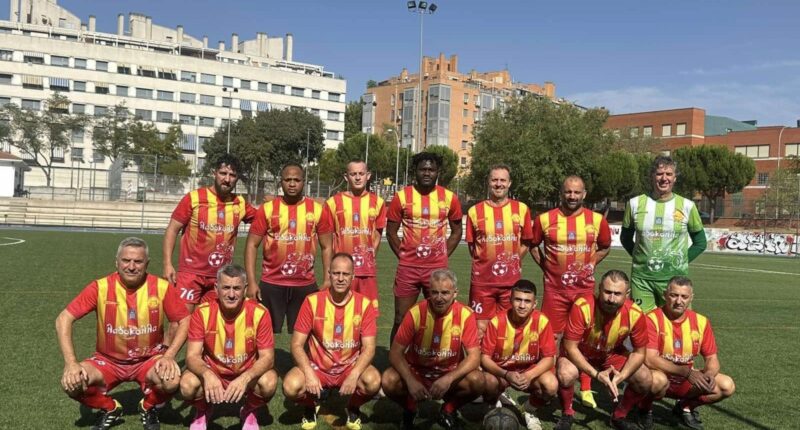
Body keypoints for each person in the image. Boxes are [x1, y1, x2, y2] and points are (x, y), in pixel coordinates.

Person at [56, 237, 190, 430]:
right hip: (108, 361)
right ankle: (110, 408)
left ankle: (148, 406)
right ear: (116, 262)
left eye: (138, 261)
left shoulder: (161, 287)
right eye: (126, 260)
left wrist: (169, 356)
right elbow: (63, 319)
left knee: (172, 380)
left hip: (148, 360)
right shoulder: (100, 287)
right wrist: (70, 363)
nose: (132, 266)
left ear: (147, 264)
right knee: (71, 383)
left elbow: (185, 320)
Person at [531, 175, 612, 409]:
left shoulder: (596, 220)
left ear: (584, 194)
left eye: (577, 192)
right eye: (568, 192)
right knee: (552, 338)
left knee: (583, 338)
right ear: (561, 193)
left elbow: (605, 246)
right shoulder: (545, 219)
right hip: (555, 291)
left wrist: (591, 263)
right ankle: (551, 385)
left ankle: (585, 387)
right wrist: (546, 266)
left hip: (583, 290)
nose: (572, 196)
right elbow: (532, 244)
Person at [282, 253, 380, 430]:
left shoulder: (364, 305)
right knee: (290, 387)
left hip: (349, 366)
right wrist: (309, 373)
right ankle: (310, 406)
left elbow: (369, 347)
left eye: (345, 274)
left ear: (353, 276)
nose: (340, 278)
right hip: (318, 367)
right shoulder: (312, 301)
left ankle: (353, 407)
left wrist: (354, 374)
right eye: (336, 273)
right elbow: (296, 344)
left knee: (373, 381)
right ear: (329, 274)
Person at [381, 269, 484, 430]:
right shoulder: (416, 312)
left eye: (445, 293)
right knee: (388, 379)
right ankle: (410, 409)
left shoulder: (465, 314)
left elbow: (474, 357)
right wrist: (411, 381)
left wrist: (449, 379)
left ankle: (448, 410)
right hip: (417, 372)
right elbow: (395, 353)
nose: (439, 298)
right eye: (434, 292)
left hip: (449, 373)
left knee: (478, 381)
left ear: (455, 293)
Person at [180, 264, 278, 430]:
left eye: (237, 288)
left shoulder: (259, 313)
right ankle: (203, 410)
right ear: (216, 288)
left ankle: (249, 410)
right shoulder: (202, 312)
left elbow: (268, 358)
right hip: (213, 370)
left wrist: (245, 378)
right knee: (187, 384)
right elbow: (192, 356)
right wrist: (207, 374)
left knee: (269, 382)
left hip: (246, 371)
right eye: (226, 288)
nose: (231, 294)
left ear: (245, 289)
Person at [555, 270, 651, 430]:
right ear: (599, 288)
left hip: (609, 354)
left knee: (645, 379)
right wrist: (596, 375)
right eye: (607, 292)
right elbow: (570, 347)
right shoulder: (583, 306)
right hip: (581, 352)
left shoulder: (635, 313)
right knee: (566, 374)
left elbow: (639, 353)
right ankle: (567, 413)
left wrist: (621, 376)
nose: (611, 299)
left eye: (617, 294)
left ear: (627, 294)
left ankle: (619, 416)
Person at [245, 163, 333, 333]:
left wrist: (328, 279)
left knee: (305, 335)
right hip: (271, 283)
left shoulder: (317, 210)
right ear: (281, 182)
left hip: (304, 284)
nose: (292, 184)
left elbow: (327, 246)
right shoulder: (267, 209)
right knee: (262, 334)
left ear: (303, 182)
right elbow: (251, 244)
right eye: (288, 180)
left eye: (297, 180)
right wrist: (252, 281)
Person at [638, 277, 735, 430]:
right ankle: (644, 408)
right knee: (657, 380)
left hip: (685, 380)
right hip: (660, 376)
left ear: (691, 298)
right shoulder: (652, 319)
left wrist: (708, 375)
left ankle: (685, 407)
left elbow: (712, 358)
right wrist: (686, 372)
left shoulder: (701, 322)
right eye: (674, 295)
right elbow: (650, 359)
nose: (679, 301)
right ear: (665, 295)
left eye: (684, 296)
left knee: (726, 386)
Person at [163, 154, 256, 309]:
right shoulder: (194, 198)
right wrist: (167, 264)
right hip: (190, 274)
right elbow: (172, 230)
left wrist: (273, 205)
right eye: (223, 173)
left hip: (221, 276)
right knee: (181, 320)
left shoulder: (240, 203)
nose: (227, 179)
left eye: (232, 175)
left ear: (237, 178)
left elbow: (264, 220)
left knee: (213, 322)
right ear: (214, 173)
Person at [386, 152, 462, 341]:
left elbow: (457, 232)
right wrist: (404, 256)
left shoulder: (449, 198)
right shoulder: (401, 197)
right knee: (401, 318)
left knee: (439, 317)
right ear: (415, 171)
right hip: (408, 269)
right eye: (422, 169)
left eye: (431, 169)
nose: (427, 173)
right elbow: (391, 232)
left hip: (436, 269)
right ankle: (396, 358)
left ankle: (437, 356)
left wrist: (442, 255)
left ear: (438, 172)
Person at [621, 155, 707, 312]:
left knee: (676, 324)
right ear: (652, 176)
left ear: (675, 178)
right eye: (659, 173)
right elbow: (625, 238)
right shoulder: (634, 204)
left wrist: (681, 262)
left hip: (675, 281)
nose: (664, 178)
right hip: (642, 280)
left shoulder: (687, 206)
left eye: (669, 174)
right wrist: (640, 258)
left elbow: (700, 243)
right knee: (642, 324)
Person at [466, 164, 534, 336]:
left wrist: (512, 260)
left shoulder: (522, 209)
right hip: (482, 283)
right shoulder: (474, 211)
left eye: (503, 180)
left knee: (509, 329)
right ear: (488, 182)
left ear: (509, 183)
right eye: (494, 180)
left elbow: (526, 242)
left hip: (510, 283)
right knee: (480, 330)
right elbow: (472, 247)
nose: (498, 184)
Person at [481, 280, 557, 430]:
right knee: (487, 382)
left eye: (527, 301)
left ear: (535, 304)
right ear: (510, 300)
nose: (522, 305)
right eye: (518, 300)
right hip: (502, 372)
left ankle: (529, 409)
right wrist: (506, 374)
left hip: (528, 371)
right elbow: (484, 358)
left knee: (551, 385)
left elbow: (549, 358)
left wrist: (529, 375)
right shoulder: (497, 322)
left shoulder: (542, 321)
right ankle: (495, 403)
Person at [320, 160, 387, 304]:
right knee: (340, 311)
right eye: (353, 174)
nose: (357, 178)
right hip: (341, 272)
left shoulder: (378, 202)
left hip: (366, 272)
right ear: (346, 177)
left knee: (367, 311)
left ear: (368, 175)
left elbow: (377, 236)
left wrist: (369, 258)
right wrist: (328, 273)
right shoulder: (333, 202)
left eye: (361, 174)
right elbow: (327, 241)